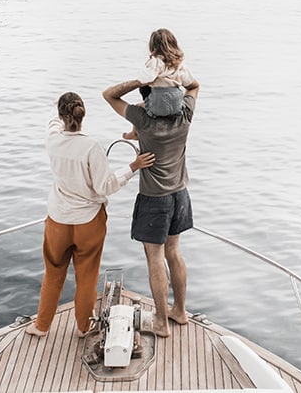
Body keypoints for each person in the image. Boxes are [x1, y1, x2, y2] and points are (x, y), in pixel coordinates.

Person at [26, 91, 156, 338]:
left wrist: (58, 109)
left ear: (62, 115)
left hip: (58, 221)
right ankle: (84, 328)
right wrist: (133, 167)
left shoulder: (52, 141)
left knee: (53, 273)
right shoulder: (90, 147)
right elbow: (105, 186)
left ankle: (42, 326)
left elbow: (53, 123)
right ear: (82, 114)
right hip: (88, 223)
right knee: (86, 277)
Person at [102, 71, 200, 338]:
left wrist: (141, 80)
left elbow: (109, 95)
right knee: (174, 253)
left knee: (155, 258)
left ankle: (161, 322)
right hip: (180, 194)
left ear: (150, 100)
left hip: (154, 198)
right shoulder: (185, 116)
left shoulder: (142, 119)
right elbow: (195, 84)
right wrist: (173, 73)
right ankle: (179, 311)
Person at [122, 28, 197, 141]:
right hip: (176, 107)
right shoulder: (179, 65)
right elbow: (189, 82)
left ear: (153, 46)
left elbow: (145, 78)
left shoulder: (155, 62)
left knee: (138, 106)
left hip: (157, 105)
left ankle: (134, 133)